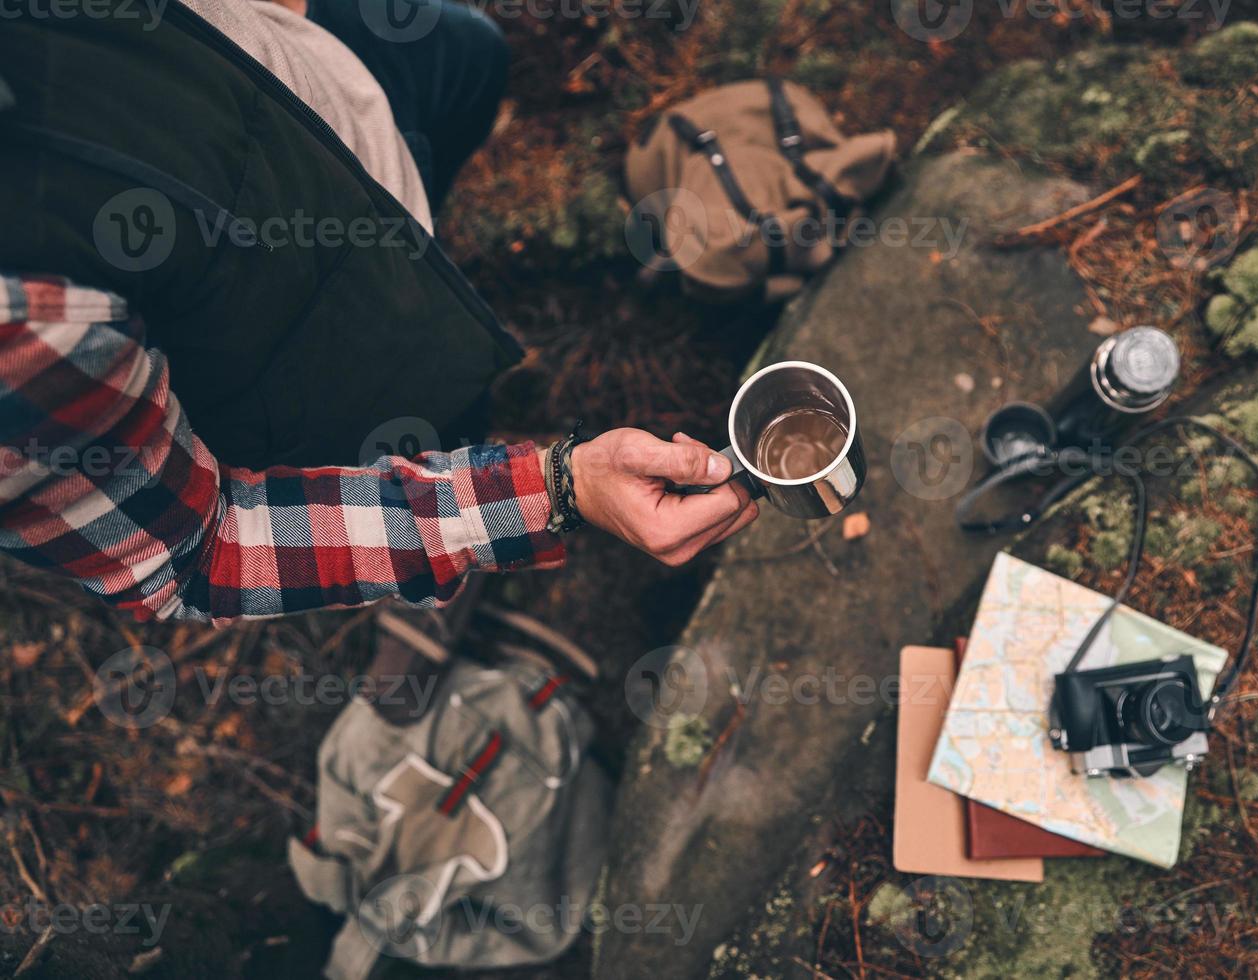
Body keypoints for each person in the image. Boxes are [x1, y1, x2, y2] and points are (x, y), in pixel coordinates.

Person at [0, 0, 758, 635]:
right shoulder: (21, 329)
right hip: (308, 366)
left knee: (469, 59)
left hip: (318, 84)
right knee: (447, 401)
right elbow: (206, 547)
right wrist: (561, 488)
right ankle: (448, 575)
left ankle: (420, 248)